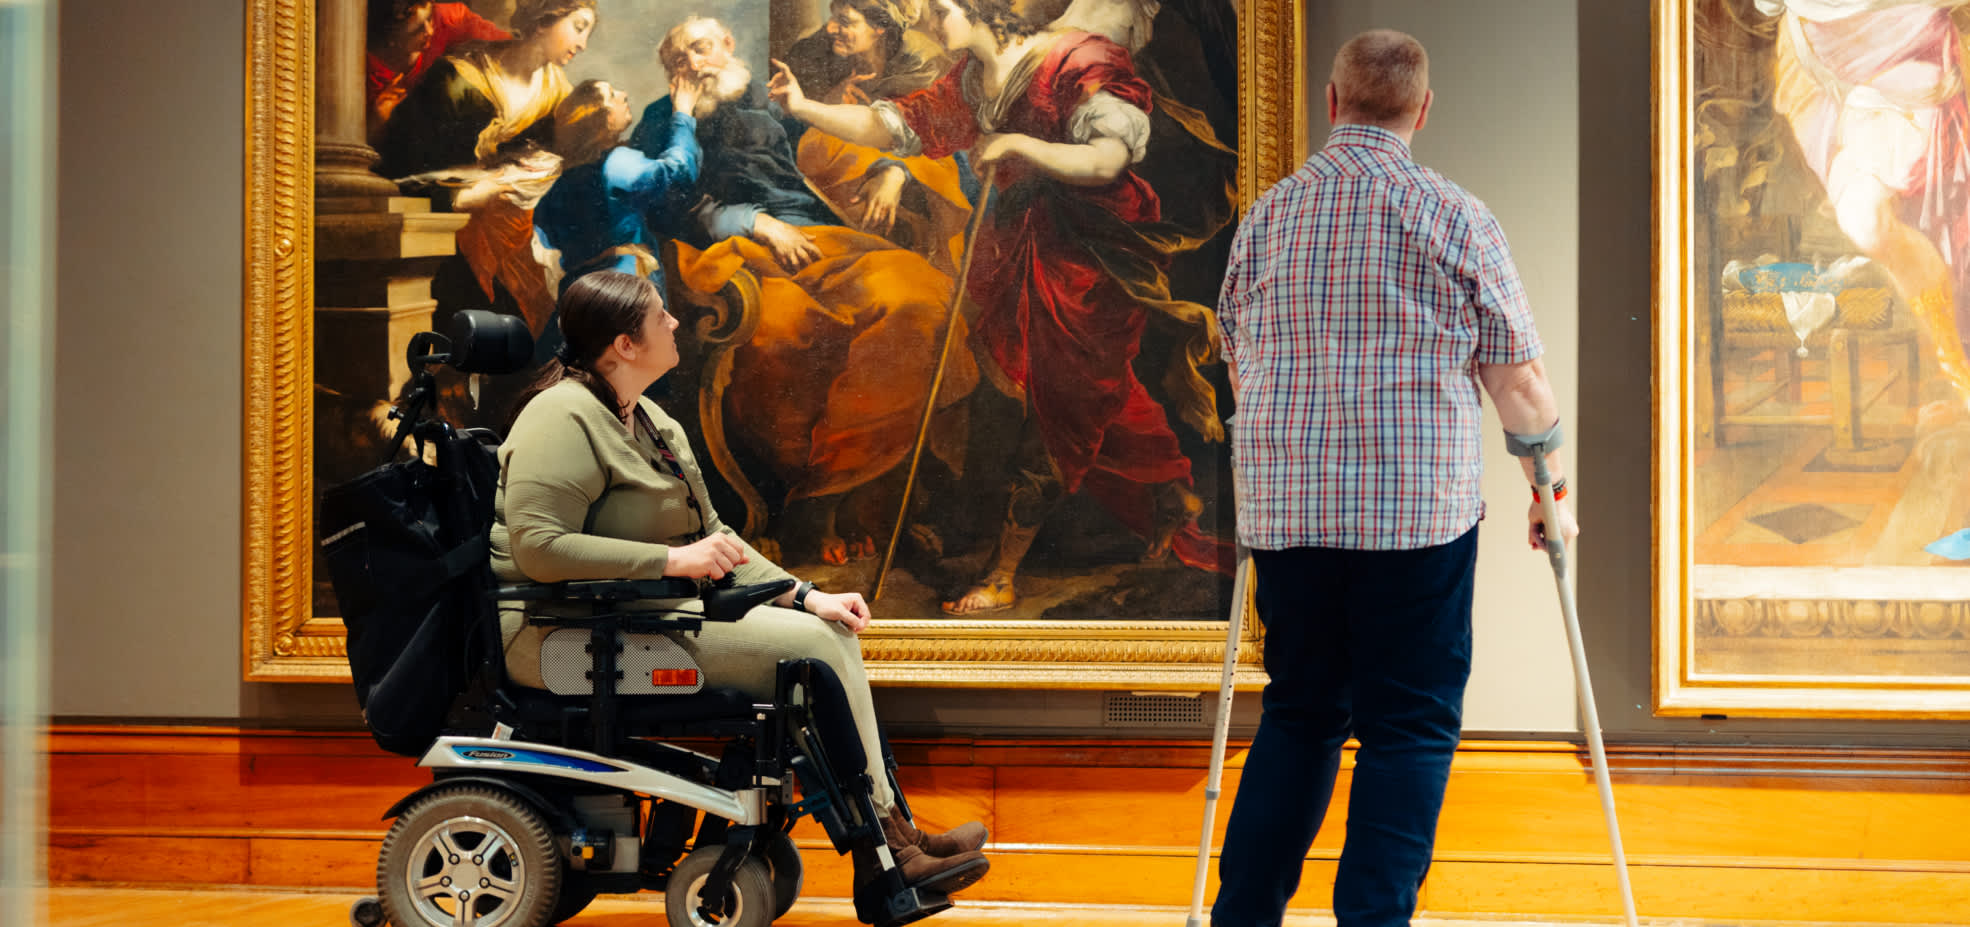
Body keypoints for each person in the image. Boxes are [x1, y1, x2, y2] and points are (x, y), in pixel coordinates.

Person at [1206, 31, 1578, 927]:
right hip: (1416, 519)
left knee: (1298, 714)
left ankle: (1244, 915)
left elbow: (1235, 355)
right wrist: (1548, 490)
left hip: (1289, 516)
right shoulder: (1456, 217)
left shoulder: (1269, 215)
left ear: (1332, 104)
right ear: (1423, 109)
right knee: (1407, 727)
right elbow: (1520, 384)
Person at [490, 271, 992, 896]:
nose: (675, 323)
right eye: (661, 316)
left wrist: (808, 595)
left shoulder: (646, 418)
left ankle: (896, 836)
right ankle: (887, 850)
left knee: (824, 629)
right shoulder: (559, 414)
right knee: (815, 651)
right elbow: (538, 549)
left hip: (628, 627)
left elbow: (717, 537)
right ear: (625, 344)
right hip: (559, 644)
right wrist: (672, 563)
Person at [768, 0, 1233, 614]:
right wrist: (805, 108)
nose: (928, 19)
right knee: (1080, 385)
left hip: (1091, 252)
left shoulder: (1079, 60)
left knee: (1060, 397)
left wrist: (1018, 142)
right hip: (1022, 242)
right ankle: (1175, 494)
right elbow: (898, 128)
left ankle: (1004, 570)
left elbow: (1107, 160)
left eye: (939, 7)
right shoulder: (969, 77)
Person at [628, 16, 977, 566]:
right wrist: (753, 222)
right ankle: (805, 502)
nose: (704, 59)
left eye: (712, 45)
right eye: (689, 53)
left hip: (820, 239)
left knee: (921, 295)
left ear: (729, 45)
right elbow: (662, 204)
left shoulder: (772, 107)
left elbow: (839, 150)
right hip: (736, 251)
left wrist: (891, 171)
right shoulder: (662, 121)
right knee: (791, 331)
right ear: (675, 68)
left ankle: (845, 486)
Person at [375, 0, 597, 340]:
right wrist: (473, 193)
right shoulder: (458, 78)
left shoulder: (559, 97)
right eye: (578, 27)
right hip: (445, 234)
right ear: (542, 21)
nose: (583, 44)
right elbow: (400, 173)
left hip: (518, 236)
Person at [780, 0, 973, 275]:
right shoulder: (816, 55)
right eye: (832, 17)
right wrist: (830, 102)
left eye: (845, 21)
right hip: (833, 191)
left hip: (916, 191)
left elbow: (944, 147)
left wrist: (898, 172)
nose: (831, 28)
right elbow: (788, 131)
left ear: (881, 27)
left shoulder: (925, 67)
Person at [532, 75, 702, 366]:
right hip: (625, 288)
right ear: (599, 119)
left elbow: (548, 236)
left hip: (578, 294)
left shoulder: (557, 185)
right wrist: (683, 114)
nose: (623, 94)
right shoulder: (618, 163)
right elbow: (679, 172)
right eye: (612, 95)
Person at [364, 0, 510, 144]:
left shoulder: (444, 18)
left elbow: (502, 40)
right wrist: (377, 122)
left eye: (430, 19)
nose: (430, 31)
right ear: (391, 36)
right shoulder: (364, 73)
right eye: (418, 29)